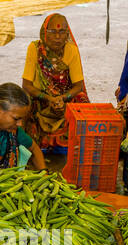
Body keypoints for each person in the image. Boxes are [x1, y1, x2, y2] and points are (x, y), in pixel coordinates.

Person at [21, 13, 88, 147]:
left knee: (82, 101)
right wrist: (48, 98)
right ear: (44, 32)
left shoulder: (71, 50)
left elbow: (78, 86)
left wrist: (62, 99)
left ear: (67, 33)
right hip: (41, 99)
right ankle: (30, 144)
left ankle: (75, 143)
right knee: (23, 103)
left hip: (64, 100)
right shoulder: (34, 49)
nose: (57, 37)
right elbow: (27, 85)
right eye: (52, 32)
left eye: (62, 32)